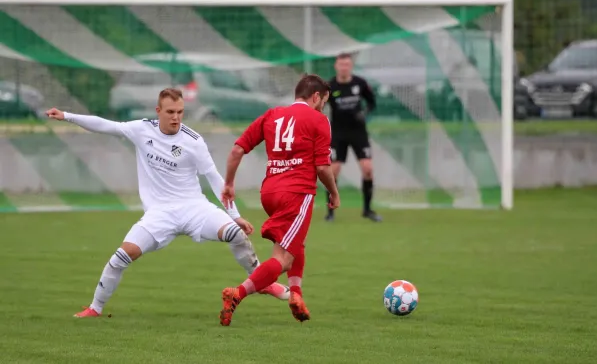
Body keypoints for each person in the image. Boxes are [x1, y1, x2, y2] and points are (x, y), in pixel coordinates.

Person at [45, 88, 290, 318]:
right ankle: (95, 308)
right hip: (159, 213)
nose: (176, 117)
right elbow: (105, 125)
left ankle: (260, 283)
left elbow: (215, 179)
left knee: (236, 234)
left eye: (180, 112)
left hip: (195, 208)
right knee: (121, 256)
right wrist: (66, 116)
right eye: (170, 112)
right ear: (158, 111)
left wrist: (234, 214)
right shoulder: (141, 130)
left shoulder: (193, 140)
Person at [218, 74, 340, 326]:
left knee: (296, 243)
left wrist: (229, 183)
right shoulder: (319, 120)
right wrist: (334, 192)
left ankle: (296, 295)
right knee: (283, 258)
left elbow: (237, 150)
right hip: (296, 193)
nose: (322, 107)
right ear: (316, 97)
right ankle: (236, 294)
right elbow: (322, 168)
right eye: (323, 102)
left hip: (269, 192)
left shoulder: (272, 115)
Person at [326, 52, 382, 223]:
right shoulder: (330, 86)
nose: (344, 67)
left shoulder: (360, 83)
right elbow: (318, 104)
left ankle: (367, 210)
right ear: (336, 66)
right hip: (337, 133)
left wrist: (364, 113)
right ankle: (330, 212)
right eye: (341, 64)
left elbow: (372, 103)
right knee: (333, 172)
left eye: (347, 64)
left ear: (351, 66)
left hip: (358, 133)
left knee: (368, 169)